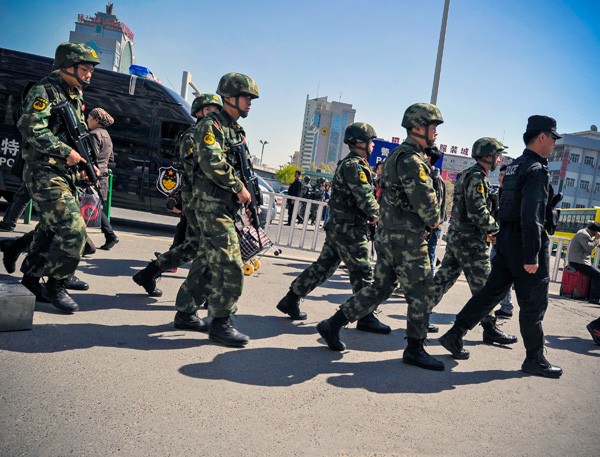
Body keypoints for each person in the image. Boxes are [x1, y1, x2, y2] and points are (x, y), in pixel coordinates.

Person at [316, 103, 445, 371]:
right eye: (433, 126)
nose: (435, 132)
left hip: (388, 235)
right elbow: (429, 209)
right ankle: (415, 348)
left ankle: (333, 324)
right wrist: (435, 213)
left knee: (380, 288)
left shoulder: (397, 157)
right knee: (421, 292)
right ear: (418, 127)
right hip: (407, 239)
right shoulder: (412, 161)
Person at [439, 115, 564, 378]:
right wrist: (532, 254)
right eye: (553, 138)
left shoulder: (516, 166)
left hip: (507, 240)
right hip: (524, 244)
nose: (554, 143)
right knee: (533, 304)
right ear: (542, 136)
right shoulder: (536, 170)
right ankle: (535, 359)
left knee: (490, 293)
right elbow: (532, 217)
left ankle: (454, 334)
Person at [276, 122, 389, 334]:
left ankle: (290, 298)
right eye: (370, 141)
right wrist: (377, 215)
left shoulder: (350, 163)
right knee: (363, 271)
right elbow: (365, 196)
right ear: (359, 142)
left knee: (324, 266)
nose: (373, 145)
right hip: (350, 229)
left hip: (339, 227)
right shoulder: (355, 165)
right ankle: (365, 316)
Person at [15, 42, 100, 313]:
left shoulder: (73, 96)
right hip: (44, 173)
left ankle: (31, 280)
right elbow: (31, 128)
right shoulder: (45, 91)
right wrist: (66, 152)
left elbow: (77, 138)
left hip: (64, 174)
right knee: (73, 227)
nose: (89, 75)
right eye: (84, 69)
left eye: (90, 70)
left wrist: (87, 167)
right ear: (67, 66)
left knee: (51, 229)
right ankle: (56, 283)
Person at [190, 73, 259, 347]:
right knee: (231, 264)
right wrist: (237, 186)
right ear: (229, 97)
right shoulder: (212, 125)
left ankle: (185, 312)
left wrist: (250, 199)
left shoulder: (235, 130)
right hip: (212, 203)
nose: (250, 103)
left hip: (225, 204)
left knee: (207, 261)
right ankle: (221, 322)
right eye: (246, 97)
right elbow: (211, 161)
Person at [429, 138, 517, 346]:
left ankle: (418, 316)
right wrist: (494, 229)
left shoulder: (468, 174)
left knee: (443, 279)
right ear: (487, 156)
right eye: (497, 155)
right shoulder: (477, 177)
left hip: (458, 237)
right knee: (486, 287)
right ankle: (490, 328)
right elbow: (477, 210)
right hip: (470, 241)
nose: (499, 159)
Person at [132, 94, 222, 298]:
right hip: (197, 198)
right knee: (208, 246)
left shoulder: (216, 136)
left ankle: (148, 274)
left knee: (191, 247)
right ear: (199, 112)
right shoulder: (192, 135)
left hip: (207, 199)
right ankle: (204, 297)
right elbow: (196, 168)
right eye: (209, 110)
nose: (214, 114)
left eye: (217, 110)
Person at [86, 107, 118, 250]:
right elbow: (111, 159)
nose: (87, 120)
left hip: (93, 176)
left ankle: (109, 236)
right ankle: (110, 236)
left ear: (96, 120)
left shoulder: (93, 135)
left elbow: (90, 157)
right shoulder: (106, 135)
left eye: (89, 117)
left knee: (87, 207)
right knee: (95, 207)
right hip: (103, 176)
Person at [492, 164, 515, 319]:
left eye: (504, 175)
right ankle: (505, 306)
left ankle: (506, 307)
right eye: (500, 175)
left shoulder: (513, 195)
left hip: (507, 242)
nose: (501, 178)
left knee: (501, 276)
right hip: (495, 240)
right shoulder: (495, 194)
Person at [566, 222, 600, 304]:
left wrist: (596, 241)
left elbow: (590, 243)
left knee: (594, 273)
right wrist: (597, 239)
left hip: (580, 261)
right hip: (578, 261)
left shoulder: (585, 233)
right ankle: (594, 298)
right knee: (598, 274)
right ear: (595, 231)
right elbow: (588, 247)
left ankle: (589, 295)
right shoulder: (583, 234)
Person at [426, 165, 446, 275]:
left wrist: (428, 226)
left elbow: (436, 204)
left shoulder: (435, 180)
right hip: (433, 223)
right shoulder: (435, 179)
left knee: (430, 252)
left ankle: (430, 281)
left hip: (434, 224)